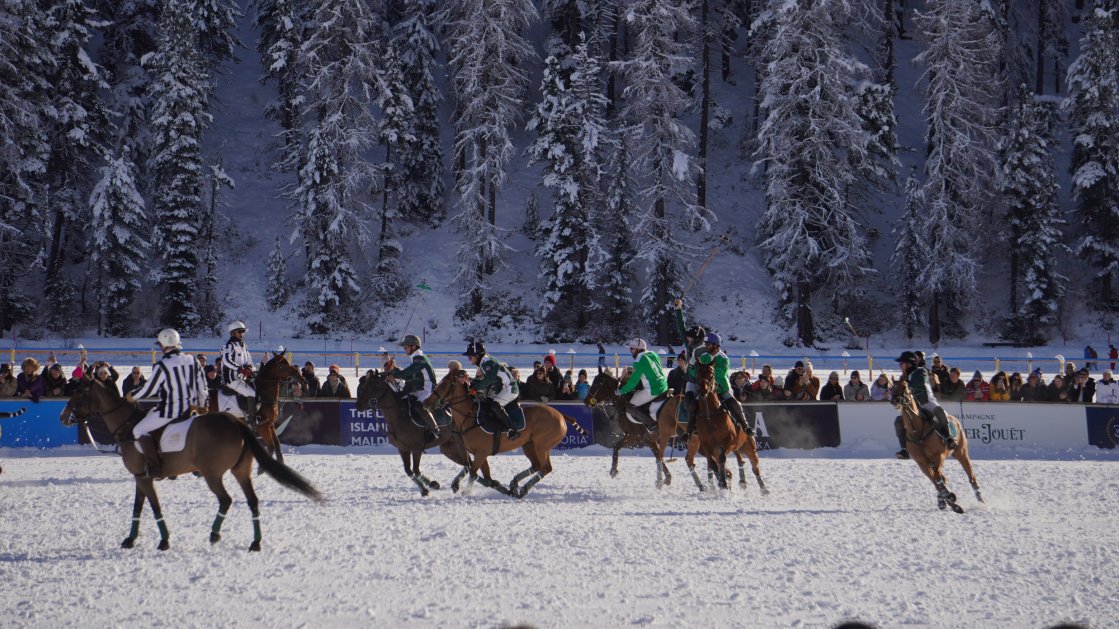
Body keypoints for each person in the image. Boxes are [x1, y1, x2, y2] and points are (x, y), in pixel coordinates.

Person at [127, 329, 208, 478]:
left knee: (138, 430)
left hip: (170, 412)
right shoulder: (193, 360)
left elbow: (149, 390)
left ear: (163, 345)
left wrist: (132, 395)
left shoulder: (162, 365)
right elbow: (202, 387)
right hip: (191, 411)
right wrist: (203, 405)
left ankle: (155, 468)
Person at [893, 350, 955, 459]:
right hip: (913, 406)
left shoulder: (921, 371)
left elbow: (920, 382)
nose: (900, 365)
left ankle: (948, 438)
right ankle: (905, 449)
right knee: (898, 421)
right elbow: (900, 396)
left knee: (939, 411)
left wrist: (905, 385)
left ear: (909, 363)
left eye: (901, 363)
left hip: (926, 402)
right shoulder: (904, 377)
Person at [693, 333, 752, 435]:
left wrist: (707, 370)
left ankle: (745, 426)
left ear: (716, 345)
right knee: (694, 404)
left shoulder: (723, 358)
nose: (706, 346)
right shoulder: (703, 357)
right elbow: (696, 372)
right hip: (706, 389)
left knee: (734, 403)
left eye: (709, 344)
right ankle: (693, 427)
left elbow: (721, 373)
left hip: (722, 388)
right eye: (706, 344)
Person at [385, 334, 442, 435]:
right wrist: (394, 369)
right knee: (404, 402)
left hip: (428, 389)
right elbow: (410, 377)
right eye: (404, 347)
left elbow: (410, 371)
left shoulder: (420, 358)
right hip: (419, 389)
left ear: (414, 346)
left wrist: (395, 375)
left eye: (406, 347)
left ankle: (435, 429)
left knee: (420, 405)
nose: (405, 349)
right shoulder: (414, 358)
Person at [464, 340, 522, 438]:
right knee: (486, 403)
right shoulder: (484, 362)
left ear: (477, 355)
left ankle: (512, 429)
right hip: (501, 389)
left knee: (495, 405)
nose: (469, 360)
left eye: (470, 357)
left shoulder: (487, 362)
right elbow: (488, 381)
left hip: (510, 389)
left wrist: (475, 387)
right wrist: (473, 383)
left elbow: (489, 380)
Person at [616, 338, 669, 431]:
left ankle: (652, 424)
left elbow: (633, 383)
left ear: (637, 349)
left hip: (653, 389)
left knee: (630, 405)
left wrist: (621, 390)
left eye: (632, 349)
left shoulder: (638, 361)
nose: (630, 351)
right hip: (664, 385)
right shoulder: (653, 354)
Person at [672, 298, 708, 432]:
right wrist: (678, 309)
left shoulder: (705, 350)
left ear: (697, 338)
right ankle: (691, 428)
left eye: (690, 337)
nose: (687, 338)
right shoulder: (689, 345)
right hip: (691, 381)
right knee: (689, 402)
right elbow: (681, 328)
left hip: (703, 381)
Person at [220, 320, 257, 422]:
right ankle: (252, 421)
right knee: (252, 394)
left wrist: (250, 367)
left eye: (243, 331)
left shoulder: (244, 345)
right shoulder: (229, 345)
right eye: (239, 331)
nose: (242, 334)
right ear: (233, 333)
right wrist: (240, 369)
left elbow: (249, 360)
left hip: (243, 378)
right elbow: (227, 361)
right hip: (232, 380)